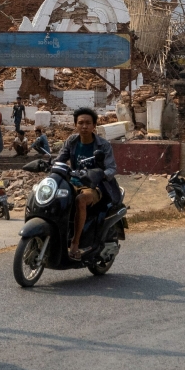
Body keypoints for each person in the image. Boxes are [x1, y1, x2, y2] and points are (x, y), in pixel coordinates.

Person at [55, 107, 120, 260]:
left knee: (80, 200)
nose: (84, 126)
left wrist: (100, 174)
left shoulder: (103, 145)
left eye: (88, 123)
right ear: (76, 125)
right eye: (81, 123)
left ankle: (75, 244)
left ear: (94, 126)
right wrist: (49, 164)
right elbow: (59, 160)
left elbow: (112, 168)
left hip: (94, 186)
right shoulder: (71, 141)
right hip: (72, 182)